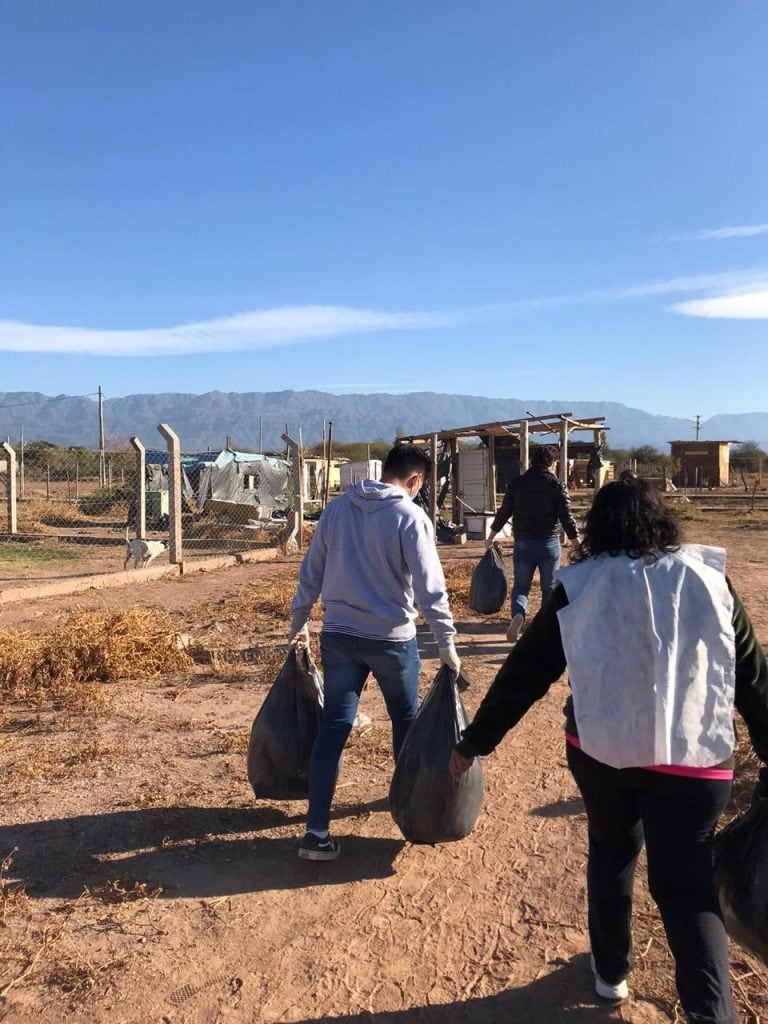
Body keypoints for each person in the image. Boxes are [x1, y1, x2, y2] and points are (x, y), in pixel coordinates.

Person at [450, 476, 768, 1022]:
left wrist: (475, 741)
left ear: (595, 528)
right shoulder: (711, 580)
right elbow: (753, 680)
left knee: (612, 854)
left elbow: (526, 673)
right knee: (686, 886)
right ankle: (709, 1012)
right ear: (664, 522)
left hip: (602, 753)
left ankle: (611, 972)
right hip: (695, 763)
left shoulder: (578, 585)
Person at [289, 443, 460, 862]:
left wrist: (299, 622)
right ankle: (411, 813)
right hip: (392, 641)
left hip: (340, 635)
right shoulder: (410, 517)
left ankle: (316, 832)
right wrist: (447, 644)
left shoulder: (336, 510)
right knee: (405, 723)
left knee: (334, 726)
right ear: (416, 480)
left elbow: (312, 569)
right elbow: (429, 589)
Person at [484, 444, 580, 643]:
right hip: (549, 544)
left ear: (532, 461)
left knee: (520, 587)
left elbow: (505, 511)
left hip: (523, 544)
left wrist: (491, 535)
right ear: (552, 463)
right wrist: (576, 543)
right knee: (548, 587)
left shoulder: (517, 483)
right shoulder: (556, 485)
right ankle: (543, 629)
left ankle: (518, 614)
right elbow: (566, 517)